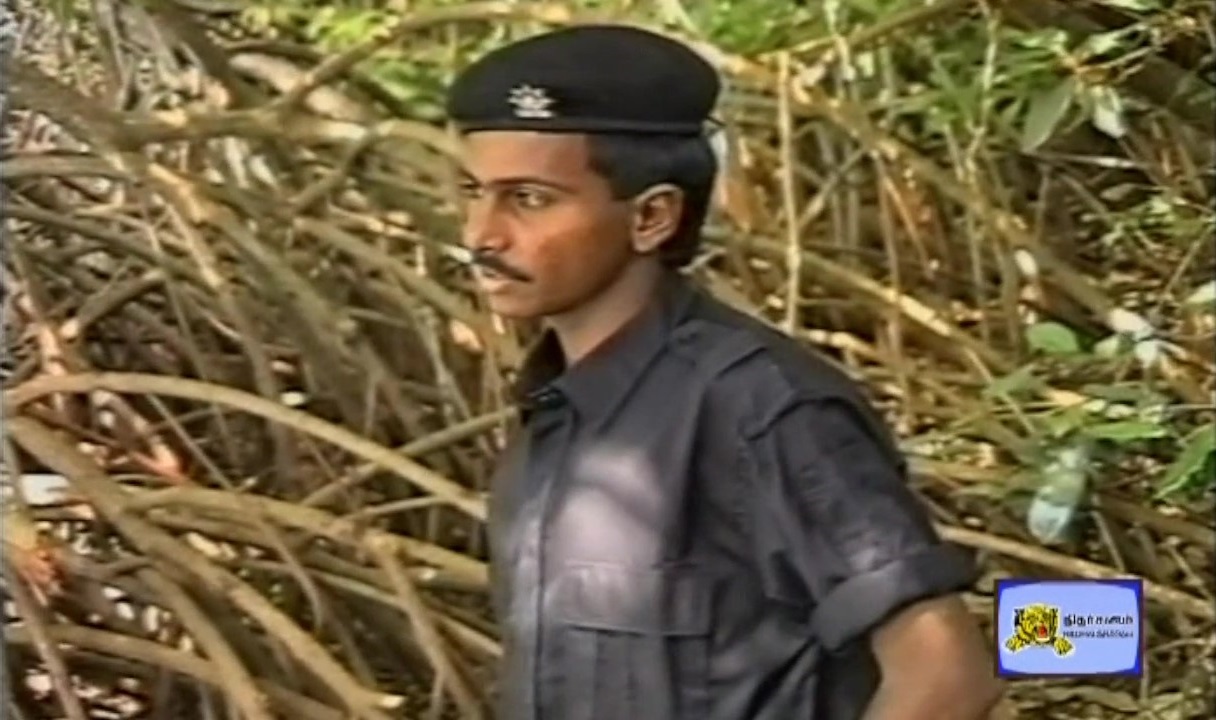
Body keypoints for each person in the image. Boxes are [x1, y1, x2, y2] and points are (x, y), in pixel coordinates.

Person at [445, 23, 1005, 720]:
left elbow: (946, 675)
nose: (481, 234)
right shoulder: (560, 406)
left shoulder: (762, 406)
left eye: (529, 199)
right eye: (473, 192)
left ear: (652, 217)